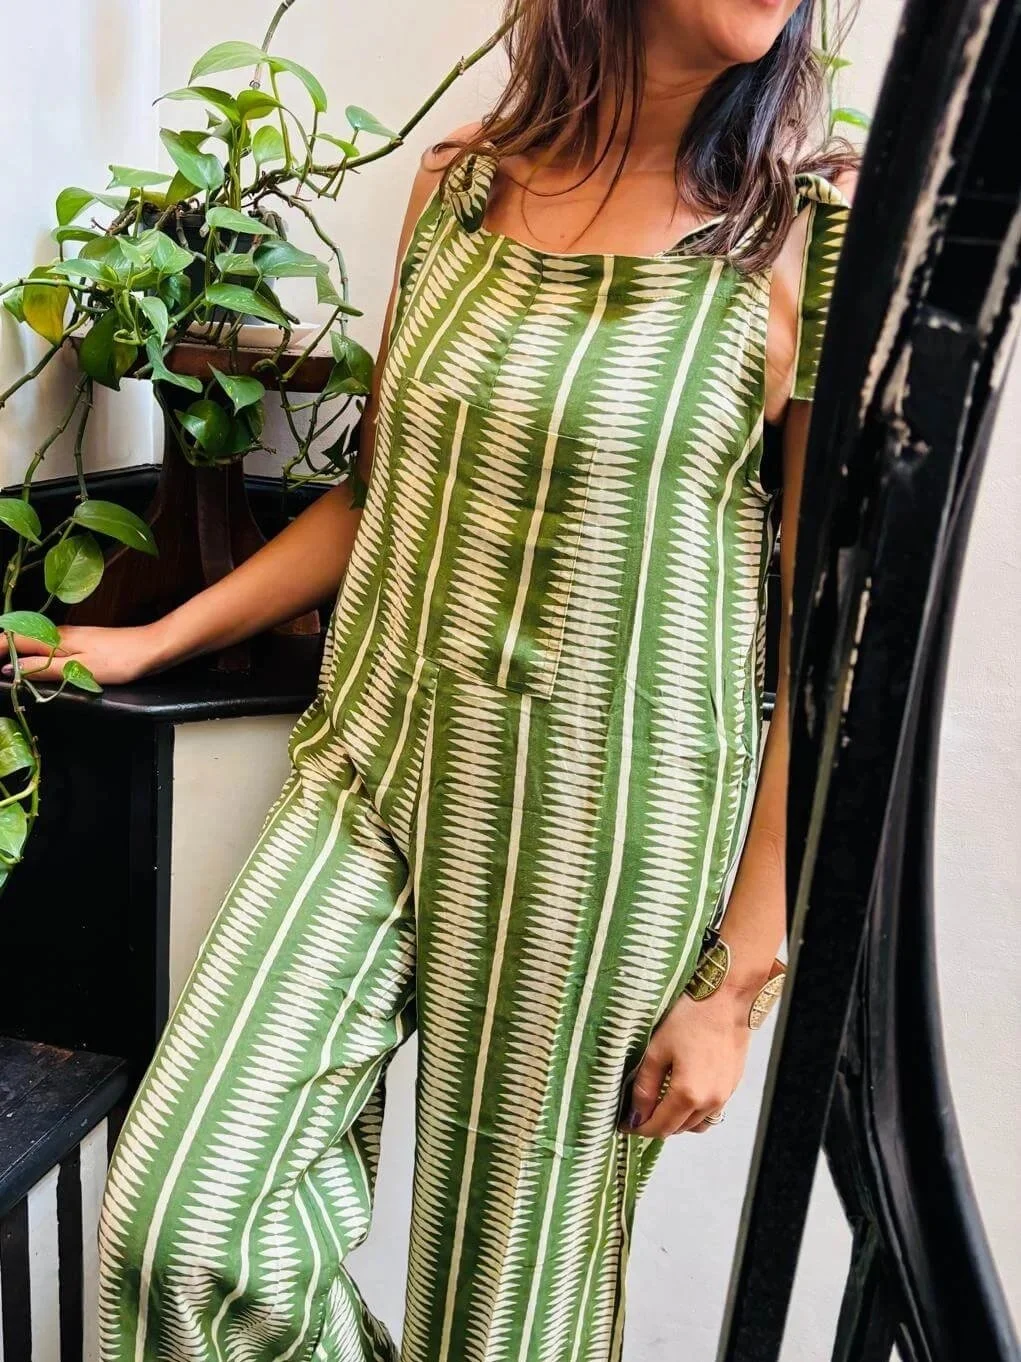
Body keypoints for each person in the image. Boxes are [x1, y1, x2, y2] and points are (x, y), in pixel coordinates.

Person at [11, 1, 856, 1357]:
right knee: (180, 1221)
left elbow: (819, 640)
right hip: (378, 765)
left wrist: (740, 975)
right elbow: (381, 495)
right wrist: (154, 638)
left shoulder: (800, 247)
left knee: (503, 1320)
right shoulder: (462, 186)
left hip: (603, 841)